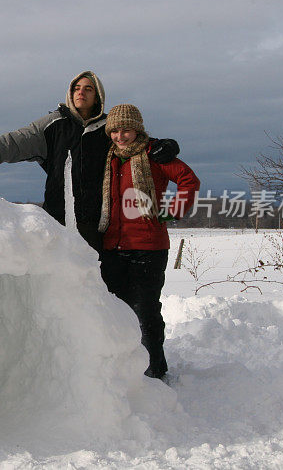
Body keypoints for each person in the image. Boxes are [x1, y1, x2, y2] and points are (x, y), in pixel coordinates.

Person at [0, 71, 180, 253]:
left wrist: (162, 144)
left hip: (98, 228)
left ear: (97, 96)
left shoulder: (109, 128)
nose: (81, 92)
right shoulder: (52, 125)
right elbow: (11, 144)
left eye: (88, 89)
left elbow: (133, 141)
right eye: (77, 88)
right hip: (57, 222)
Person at [98, 104, 200, 379]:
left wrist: (171, 211)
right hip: (113, 247)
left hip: (148, 246)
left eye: (127, 130)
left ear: (138, 129)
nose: (121, 136)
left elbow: (188, 180)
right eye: (115, 131)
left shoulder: (154, 154)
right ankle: (124, 368)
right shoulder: (108, 157)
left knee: (145, 311)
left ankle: (154, 370)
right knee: (115, 310)